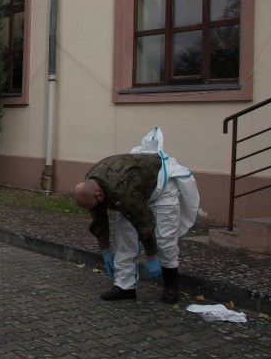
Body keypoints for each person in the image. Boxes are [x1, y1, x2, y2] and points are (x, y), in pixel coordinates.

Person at [71, 127, 200, 304]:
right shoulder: (92, 183)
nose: (96, 207)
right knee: (124, 238)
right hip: (137, 188)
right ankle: (125, 287)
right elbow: (98, 217)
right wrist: (104, 249)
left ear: (98, 195)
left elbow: (144, 222)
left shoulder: (121, 190)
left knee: (164, 238)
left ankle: (171, 284)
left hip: (162, 187)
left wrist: (152, 257)